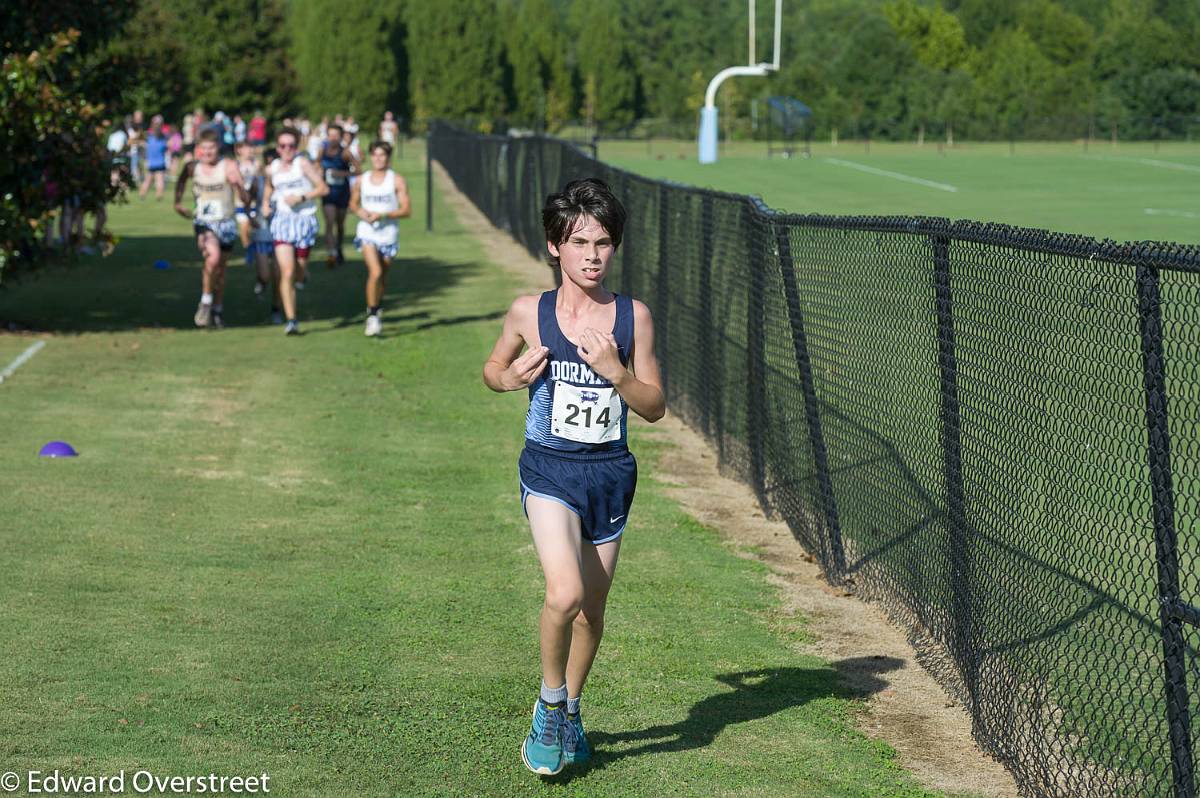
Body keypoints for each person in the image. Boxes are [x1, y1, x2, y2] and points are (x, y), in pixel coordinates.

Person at [482, 178, 665, 776]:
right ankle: (548, 704)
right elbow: (493, 366)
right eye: (579, 241)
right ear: (554, 246)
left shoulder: (632, 317)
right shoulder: (528, 312)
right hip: (549, 469)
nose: (592, 254)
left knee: (591, 609)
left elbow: (655, 405)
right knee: (563, 593)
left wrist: (616, 371)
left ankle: (572, 709)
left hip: (609, 474)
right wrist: (508, 380)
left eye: (604, 242)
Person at [174, 128, 250, 330]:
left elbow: (246, 199)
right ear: (198, 149)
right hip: (204, 223)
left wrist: (238, 186)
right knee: (212, 257)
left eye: (211, 148)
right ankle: (206, 302)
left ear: (218, 149)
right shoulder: (193, 167)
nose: (207, 153)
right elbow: (181, 180)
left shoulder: (229, 166)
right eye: (204, 148)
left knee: (221, 271)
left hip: (226, 223)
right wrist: (178, 203)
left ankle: (217, 309)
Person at [261, 126, 329, 335]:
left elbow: (323, 188)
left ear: (297, 145)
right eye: (283, 146)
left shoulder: (302, 164)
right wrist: (265, 203)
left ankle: (303, 274)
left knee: (298, 271)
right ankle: (291, 320)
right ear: (278, 147)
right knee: (286, 271)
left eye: (291, 145)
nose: (287, 149)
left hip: (303, 220)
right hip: (282, 220)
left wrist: (301, 197)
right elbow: (269, 187)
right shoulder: (272, 167)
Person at [348, 141, 410, 337]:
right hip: (367, 232)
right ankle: (373, 316)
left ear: (388, 157)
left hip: (388, 234)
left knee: (382, 275)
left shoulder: (396, 180)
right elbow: (353, 203)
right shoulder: (362, 180)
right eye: (375, 155)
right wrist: (361, 212)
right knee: (374, 272)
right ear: (370, 156)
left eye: (382, 155)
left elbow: (406, 210)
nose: (378, 159)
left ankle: (376, 304)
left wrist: (384, 215)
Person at [319, 124, 358, 267]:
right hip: (328, 192)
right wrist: (319, 174)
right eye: (330, 135)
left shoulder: (345, 152)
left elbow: (358, 170)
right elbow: (316, 165)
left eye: (336, 135)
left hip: (342, 192)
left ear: (341, 137)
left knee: (339, 224)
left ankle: (339, 247)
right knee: (329, 222)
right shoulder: (322, 150)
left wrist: (342, 174)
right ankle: (332, 254)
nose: (332, 138)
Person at [234, 140, 260, 261]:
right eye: (247, 148)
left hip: (254, 202)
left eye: (251, 147)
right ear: (239, 150)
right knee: (244, 228)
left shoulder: (257, 164)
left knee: (252, 227)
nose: (250, 150)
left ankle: (254, 248)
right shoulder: (235, 165)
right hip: (240, 202)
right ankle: (248, 248)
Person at [139, 116, 169, 199]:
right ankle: (159, 195)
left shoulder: (149, 137)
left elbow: (143, 145)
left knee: (148, 180)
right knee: (159, 180)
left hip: (151, 163)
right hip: (160, 162)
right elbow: (166, 148)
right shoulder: (163, 138)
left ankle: (142, 194)